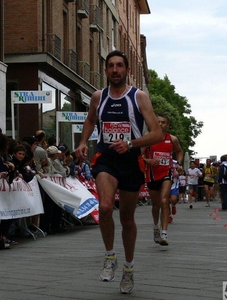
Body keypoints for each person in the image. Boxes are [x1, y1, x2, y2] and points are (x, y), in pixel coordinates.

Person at [75, 50, 163, 294]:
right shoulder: (97, 97)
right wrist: (83, 141)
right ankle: (110, 256)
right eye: (111, 66)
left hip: (131, 162)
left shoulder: (139, 97)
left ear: (126, 70)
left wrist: (132, 143)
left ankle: (129, 268)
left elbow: (157, 133)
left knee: (126, 219)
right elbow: (91, 120)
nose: (115, 70)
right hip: (107, 160)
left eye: (120, 66)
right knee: (104, 207)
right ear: (106, 70)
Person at [143, 113, 183, 246]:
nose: (160, 124)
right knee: (156, 205)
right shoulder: (148, 139)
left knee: (165, 200)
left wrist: (178, 164)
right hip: (152, 174)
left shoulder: (172, 139)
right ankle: (156, 227)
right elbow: (138, 155)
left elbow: (179, 151)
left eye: (163, 122)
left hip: (167, 173)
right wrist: (148, 160)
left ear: (168, 125)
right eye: (158, 122)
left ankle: (164, 233)